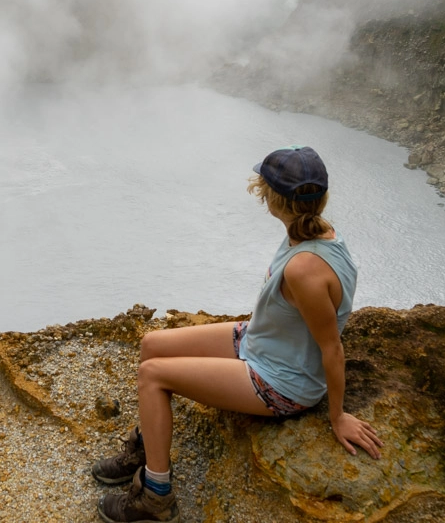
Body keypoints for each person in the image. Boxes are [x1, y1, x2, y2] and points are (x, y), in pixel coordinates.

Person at [91, 145, 383, 523]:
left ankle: (156, 496)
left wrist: (338, 415)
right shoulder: (317, 231)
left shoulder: (304, 270)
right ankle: (149, 446)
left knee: (152, 375)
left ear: (272, 200)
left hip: (281, 381)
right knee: (151, 345)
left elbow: (332, 349)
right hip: (262, 341)